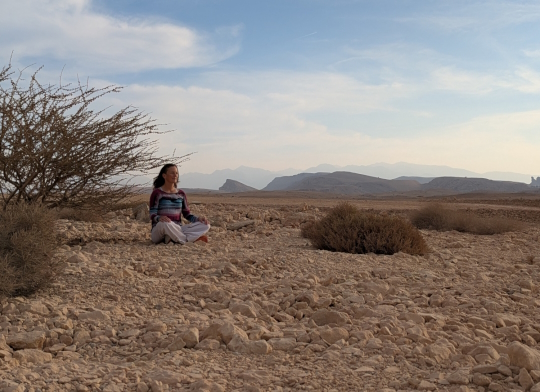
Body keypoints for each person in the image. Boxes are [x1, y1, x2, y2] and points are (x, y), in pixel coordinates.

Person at [149, 164, 210, 244]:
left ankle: (172, 238)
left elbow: (187, 214)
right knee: (165, 224)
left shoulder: (181, 194)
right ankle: (188, 240)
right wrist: (159, 218)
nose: (175, 175)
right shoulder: (157, 193)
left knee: (205, 225)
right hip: (160, 228)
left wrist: (198, 219)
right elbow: (152, 214)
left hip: (178, 228)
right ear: (164, 175)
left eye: (176, 173)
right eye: (172, 173)